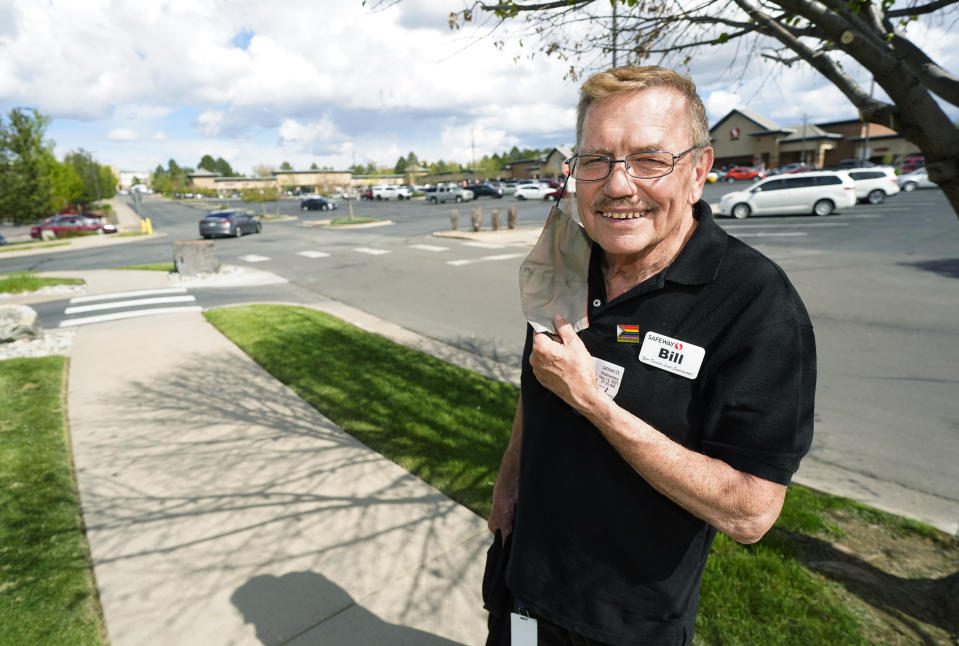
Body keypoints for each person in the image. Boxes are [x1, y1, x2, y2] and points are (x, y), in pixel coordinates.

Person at [483, 66, 816, 646]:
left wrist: (596, 405)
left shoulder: (755, 304)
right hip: (523, 585)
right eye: (595, 160)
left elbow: (751, 513)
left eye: (650, 159)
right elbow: (534, 386)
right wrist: (507, 488)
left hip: (624, 624)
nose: (617, 185)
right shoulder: (566, 258)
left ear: (699, 171)